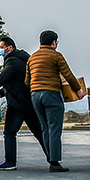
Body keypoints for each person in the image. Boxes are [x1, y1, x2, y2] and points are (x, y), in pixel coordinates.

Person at [0, 36, 48, 170]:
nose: (1, 50)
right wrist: (2, 92)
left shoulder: (13, 61)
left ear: (10, 48)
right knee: (39, 132)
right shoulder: (22, 59)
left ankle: (10, 162)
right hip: (28, 102)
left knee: (9, 132)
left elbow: (3, 77)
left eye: (2, 47)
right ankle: (53, 159)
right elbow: (15, 82)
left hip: (17, 103)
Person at [25, 29, 85, 172]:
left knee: (45, 128)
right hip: (50, 94)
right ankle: (54, 162)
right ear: (53, 43)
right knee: (54, 128)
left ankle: (50, 157)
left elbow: (27, 80)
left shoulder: (32, 58)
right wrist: (78, 90)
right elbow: (68, 75)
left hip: (35, 95)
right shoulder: (56, 56)